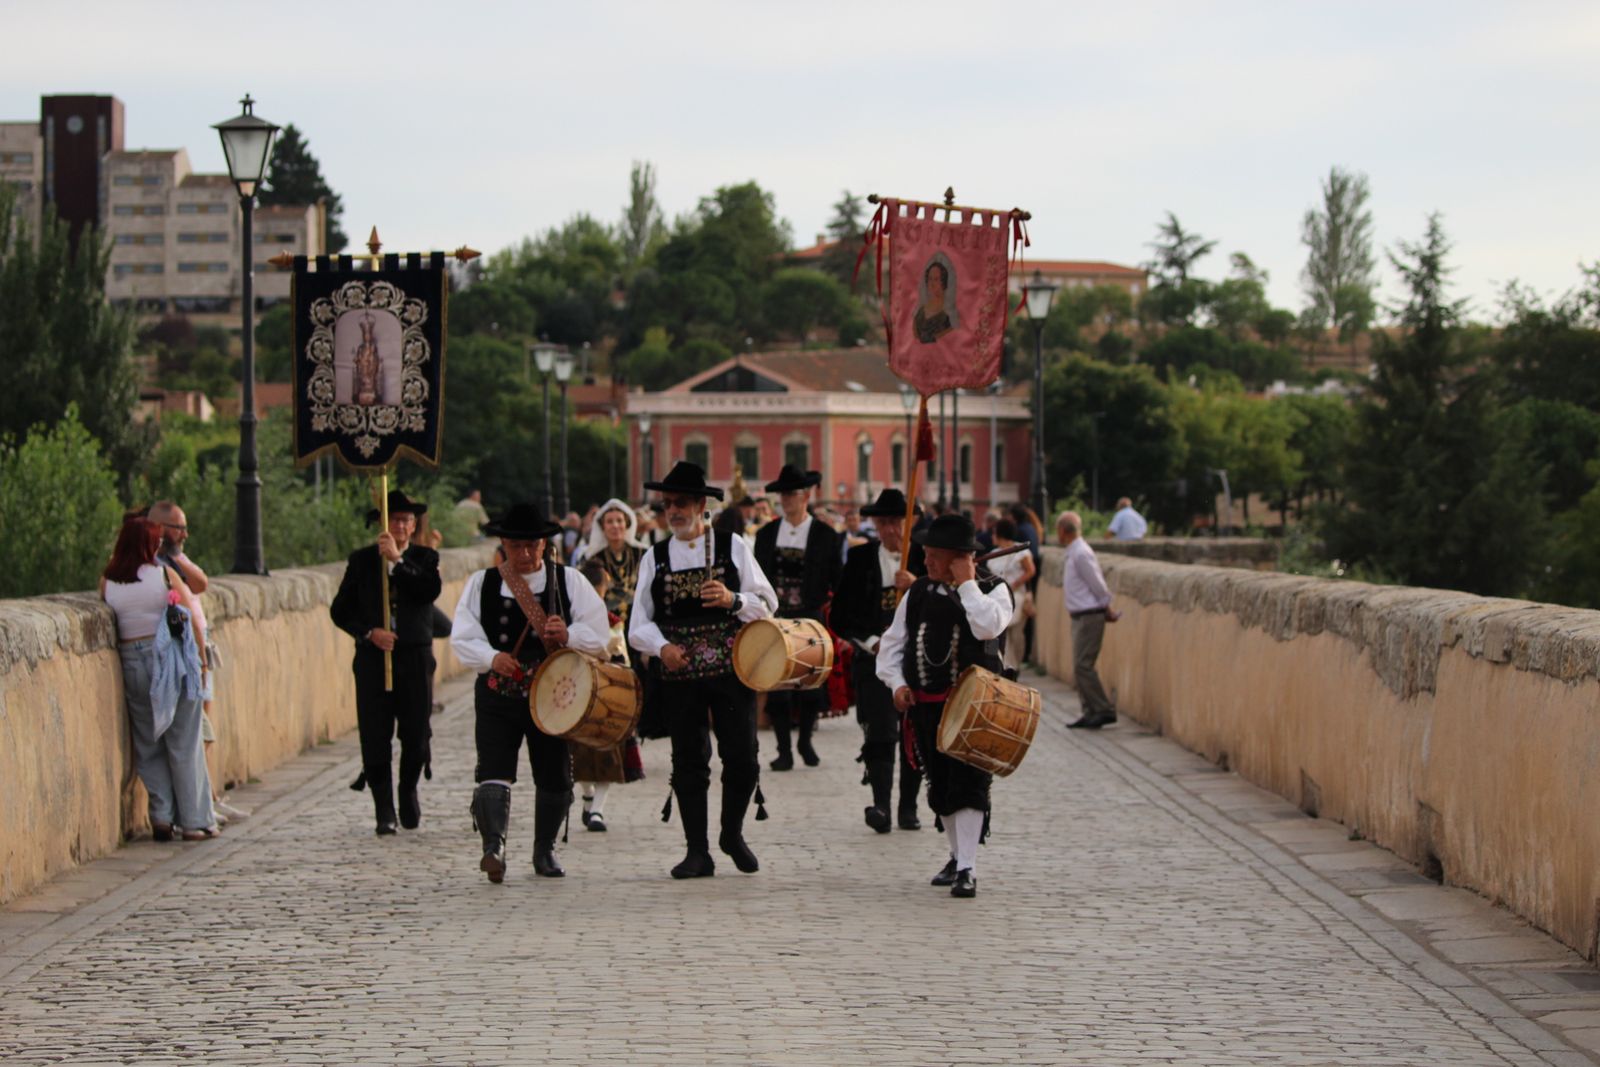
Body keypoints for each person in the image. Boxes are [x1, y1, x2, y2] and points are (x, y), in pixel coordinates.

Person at [629, 461, 778, 879]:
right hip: (681, 675)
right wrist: (661, 648)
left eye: (680, 503)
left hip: (732, 670)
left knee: (743, 757)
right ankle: (698, 850)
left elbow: (768, 604)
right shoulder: (655, 558)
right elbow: (637, 623)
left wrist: (733, 600)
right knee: (689, 762)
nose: (673, 511)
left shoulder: (732, 547)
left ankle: (732, 833)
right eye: (667, 504)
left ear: (700, 505)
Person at [453, 502, 610, 882]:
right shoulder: (483, 583)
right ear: (503, 544)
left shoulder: (569, 581)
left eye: (532, 546)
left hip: (553, 695)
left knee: (554, 773)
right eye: (516, 546)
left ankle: (545, 850)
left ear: (544, 544)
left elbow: (599, 633)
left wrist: (568, 635)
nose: (524, 554)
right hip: (497, 691)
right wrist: (492, 657)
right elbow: (463, 635)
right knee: (493, 768)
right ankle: (494, 847)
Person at [877, 513, 1012, 899]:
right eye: (926, 553)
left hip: (976, 709)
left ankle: (968, 866)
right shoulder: (918, 592)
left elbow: (988, 627)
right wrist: (898, 684)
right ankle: (956, 856)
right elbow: (892, 644)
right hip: (927, 706)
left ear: (960, 558)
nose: (926, 561)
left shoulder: (994, 590)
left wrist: (967, 583)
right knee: (940, 783)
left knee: (970, 783)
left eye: (934, 555)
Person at [330, 491, 442, 835]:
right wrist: (368, 633)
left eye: (407, 520)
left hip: (413, 658)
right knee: (375, 734)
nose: (401, 526)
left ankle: (407, 788)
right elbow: (340, 610)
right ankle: (383, 808)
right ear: (384, 523)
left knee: (416, 734)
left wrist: (397, 561)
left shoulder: (424, 558)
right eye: (395, 520)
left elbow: (428, 591)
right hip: (373, 659)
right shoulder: (362, 561)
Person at [101, 517, 217, 841]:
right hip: (167, 661)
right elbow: (192, 617)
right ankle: (195, 822)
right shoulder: (162, 574)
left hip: (131, 663)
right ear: (149, 545)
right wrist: (203, 662)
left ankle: (162, 817)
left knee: (148, 743)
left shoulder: (108, 581)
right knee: (183, 739)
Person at [148, 500, 249, 826]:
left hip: (199, 649)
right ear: (161, 529)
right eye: (179, 528)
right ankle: (199, 807)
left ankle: (208, 799)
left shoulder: (174, 560)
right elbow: (199, 587)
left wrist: (176, 553)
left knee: (203, 733)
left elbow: (201, 581)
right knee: (194, 737)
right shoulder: (158, 565)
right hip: (186, 656)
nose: (186, 533)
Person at [831, 489, 926, 834]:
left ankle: (909, 806)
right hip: (873, 663)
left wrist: (918, 586)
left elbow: (948, 602)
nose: (891, 530)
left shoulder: (925, 559)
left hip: (917, 663)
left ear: (910, 522)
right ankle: (882, 804)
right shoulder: (859, 560)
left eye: (897, 522)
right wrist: (871, 643)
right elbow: (841, 616)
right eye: (884, 523)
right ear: (875, 524)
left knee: (913, 734)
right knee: (881, 734)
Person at [753, 464, 842, 771]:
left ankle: (805, 740)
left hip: (809, 617)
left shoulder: (825, 535)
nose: (786, 499)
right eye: (783, 494)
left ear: (805, 496)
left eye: (791, 494)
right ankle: (783, 749)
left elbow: (836, 579)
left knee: (809, 685)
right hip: (777, 617)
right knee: (778, 685)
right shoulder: (766, 535)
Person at [1059, 511, 1121, 730]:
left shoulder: (1081, 553)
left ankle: (1102, 709)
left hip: (1089, 615)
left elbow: (1097, 583)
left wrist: (1107, 607)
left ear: (1064, 531)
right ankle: (1090, 710)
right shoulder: (1073, 552)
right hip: (1080, 615)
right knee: (1080, 666)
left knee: (1083, 665)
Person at [989, 519, 1037, 671]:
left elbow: (1030, 571)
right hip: (999, 597)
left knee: (1016, 635)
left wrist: (1013, 585)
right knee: (1003, 634)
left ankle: (1015, 664)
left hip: (1017, 596)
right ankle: (1007, 666)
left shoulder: (1021, 551)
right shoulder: (993, 554)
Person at [914, 259, 956, 344]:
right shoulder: (920, 313)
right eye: (930, 279)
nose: (932, 283)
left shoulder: (948, 316)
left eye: (936, 279)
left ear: (943, 282)